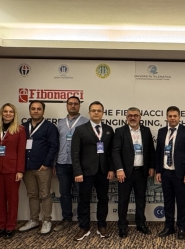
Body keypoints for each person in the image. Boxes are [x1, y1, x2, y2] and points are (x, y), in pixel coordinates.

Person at [71, 101, 115, 240]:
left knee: (103, 199)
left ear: (102, 113)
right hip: (85, 172)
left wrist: (111, 169)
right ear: (89, 113)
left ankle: (102, 226)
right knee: (84, 200)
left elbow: (112, 152)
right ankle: (84, 227)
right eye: (93, 110)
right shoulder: (80, 129)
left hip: (103, 171)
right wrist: (77, 172)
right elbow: (75, 152)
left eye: (99, 110)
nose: (96, 113)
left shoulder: (109, 129)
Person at [111, 107, 155, 238]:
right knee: (123, 200)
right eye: (130, 115)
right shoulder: (120, 131)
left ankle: (141, 224)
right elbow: (115, 151)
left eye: (135, 115)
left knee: (141, 200)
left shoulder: (146, 131)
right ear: (126, 117)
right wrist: (119, 169)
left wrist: (151, 166)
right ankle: (122, 226)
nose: (133, 117)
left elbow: (151, 150)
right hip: (125, 173)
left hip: (141, 172)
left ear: (140, 117)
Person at [19, 100, 59, 235]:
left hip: (43, 168)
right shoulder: (23, 127)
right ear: (29, 110)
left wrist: (47, 164)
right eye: (33, 109)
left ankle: (47, 220)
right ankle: (34, 220)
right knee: (32, 195)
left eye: (39, 109)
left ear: (43, 111)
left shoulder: (50, 127)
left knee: (45, 194)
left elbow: (53, 147)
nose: (36, 111)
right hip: (27, 168)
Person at [155, 106, 185, 240]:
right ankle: (169, 227)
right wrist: (158, 171)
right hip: (165, 173)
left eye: (175, 116)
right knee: (168, 202)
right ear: (166, 117)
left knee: (182, 202)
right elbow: (158, 152)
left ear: (179, 117)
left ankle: (182, 227)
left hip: (181, 174)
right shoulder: (161, 132)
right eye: (170, 116)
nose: (172, 118)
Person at [0, 103, 26, 239]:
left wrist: (20, 170)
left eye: (11, 112)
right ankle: (1, 226)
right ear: (1, 113)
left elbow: (21, 151)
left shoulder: (20, 130)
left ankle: (10, 226)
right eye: (5, 111)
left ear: (14, 114)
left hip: (12, 169)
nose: (8, 114)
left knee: (12, 199)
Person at [53, 96, 88, 232]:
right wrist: (54, 163)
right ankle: (66, 218)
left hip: (79, 165)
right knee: (64, 193)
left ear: (79, 106)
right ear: (66, 105)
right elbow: (56, 144)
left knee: (81, 194)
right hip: (62, 163)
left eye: (75, 104)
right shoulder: (61, 123)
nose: (73, 106)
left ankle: (82, 220)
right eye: (70, 103)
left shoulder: (86, 122)